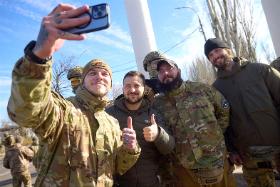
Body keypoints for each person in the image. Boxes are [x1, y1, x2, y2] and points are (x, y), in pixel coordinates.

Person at [7, 4, 140, 186]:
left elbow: (117, 167)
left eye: (105, 74)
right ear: (83, 81)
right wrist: (39, 57)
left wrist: (130, 149)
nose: (99, 76)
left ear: (110, 83)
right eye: (92, 73)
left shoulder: (112, 123)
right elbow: (26, 110)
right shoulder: (65, 110)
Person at [148, 52, 236, 187]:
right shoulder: (157, 104)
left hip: (217, 162)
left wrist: (216, 133)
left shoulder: (202, 89)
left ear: (179, 70)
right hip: (185, 170)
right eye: (161, 71)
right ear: (157, 77)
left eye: (169, 69)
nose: (166, 73)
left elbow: (224, 110)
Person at [204, 38, 280, 187]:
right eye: (210, 55)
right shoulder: (215, 89)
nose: (215, 56)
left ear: (228, 50)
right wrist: (231, 150)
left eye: (217, 50)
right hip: (253, 154)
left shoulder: (260, 70)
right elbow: (221, 123)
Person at [106, 71, 175, 187]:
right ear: (123, 89)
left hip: (152, 182)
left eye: (137, 85)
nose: (132, 90)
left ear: (144, 88)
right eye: (128, 86)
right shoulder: (109, 114)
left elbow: (169, 148)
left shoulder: (154, 114)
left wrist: (159, 134)